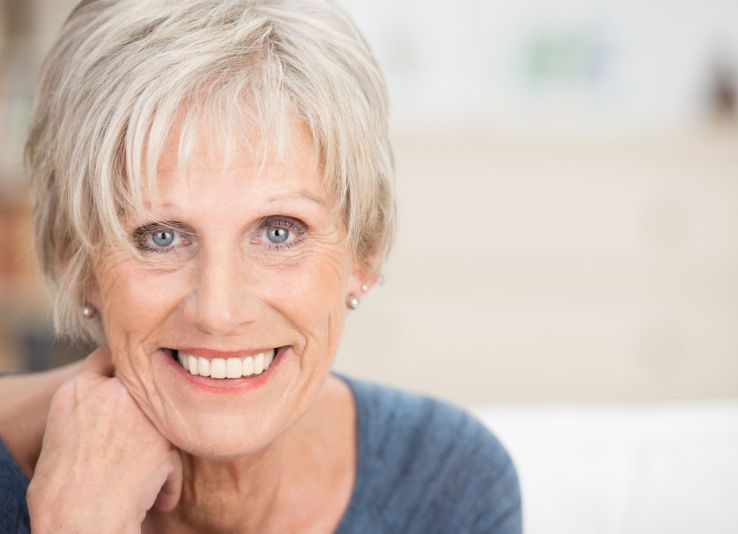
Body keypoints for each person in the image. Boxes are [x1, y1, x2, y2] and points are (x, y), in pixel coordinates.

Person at [0, 1, 523, 532]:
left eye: (279, 232)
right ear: (74, 260)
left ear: (365, 253)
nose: (219, 312)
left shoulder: (444, 482)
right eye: (160, 237)